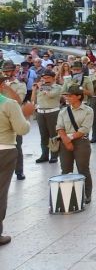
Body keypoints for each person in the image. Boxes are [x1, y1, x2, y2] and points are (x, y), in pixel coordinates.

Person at [0, 74, 32, 246]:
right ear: (2, 85)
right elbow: (21, 129)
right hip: (4, 150)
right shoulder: (9, 104)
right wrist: (26, 115)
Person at [56, 84, 94, 204]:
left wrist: (69, 138)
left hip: (81, 142)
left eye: (70, 96)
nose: (67, 98)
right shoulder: (63, 111)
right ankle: (67, 194)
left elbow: (84, 129)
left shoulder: (88, 111)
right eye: (67, 96)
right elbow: (59, 127)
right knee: (65, 169)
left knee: (83, 169)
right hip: (65, 142)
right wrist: (66, 141)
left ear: (78, 96)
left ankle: (87, 194)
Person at [1, 62, 27, 180]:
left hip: (15, 118)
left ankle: (19, 171)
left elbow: (19, 100)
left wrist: (7, 88)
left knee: (17, 145)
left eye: (8, 71)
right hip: (3, 117)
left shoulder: (20, 85)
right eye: (4, 71)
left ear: (14, 71)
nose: (6, 73)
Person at [32, 69, 62, 164]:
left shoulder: (56, 87)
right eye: (44, 78)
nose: (45, 79)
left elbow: (51, 95)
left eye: (48, 77)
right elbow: (33, 99)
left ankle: (54, 155)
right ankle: (44, 155)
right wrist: (34, 90)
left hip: (52, 112)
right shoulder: (42, 87)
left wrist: (42, 87)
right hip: (41, 112)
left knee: (53, 135)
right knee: (43, 135)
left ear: (53, 78)